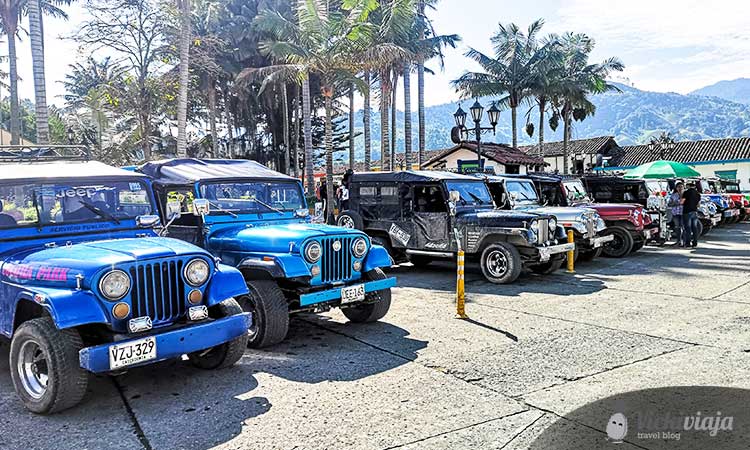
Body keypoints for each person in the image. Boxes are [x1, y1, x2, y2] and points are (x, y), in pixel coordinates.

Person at [681, 181, 702, 248]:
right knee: (695, 228)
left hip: (687, 211)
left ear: (688, 186)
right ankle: (695, 242)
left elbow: (682, 202)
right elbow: (698, 204)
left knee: (688, 228)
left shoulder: (686, 193)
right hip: (694, 211)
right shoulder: (698, 194)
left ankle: (688, 243)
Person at [667, 182, 684, 246]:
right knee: (677, 227)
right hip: (675, 213)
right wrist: (676, 203)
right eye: (678, 187)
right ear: (676, 188)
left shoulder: (686, 194)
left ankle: (684, 242)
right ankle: (678, 241)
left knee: (684, 227)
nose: (680, 188)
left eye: (681, 187)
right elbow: (669, 204)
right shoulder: (673, 195)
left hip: (683, 213)